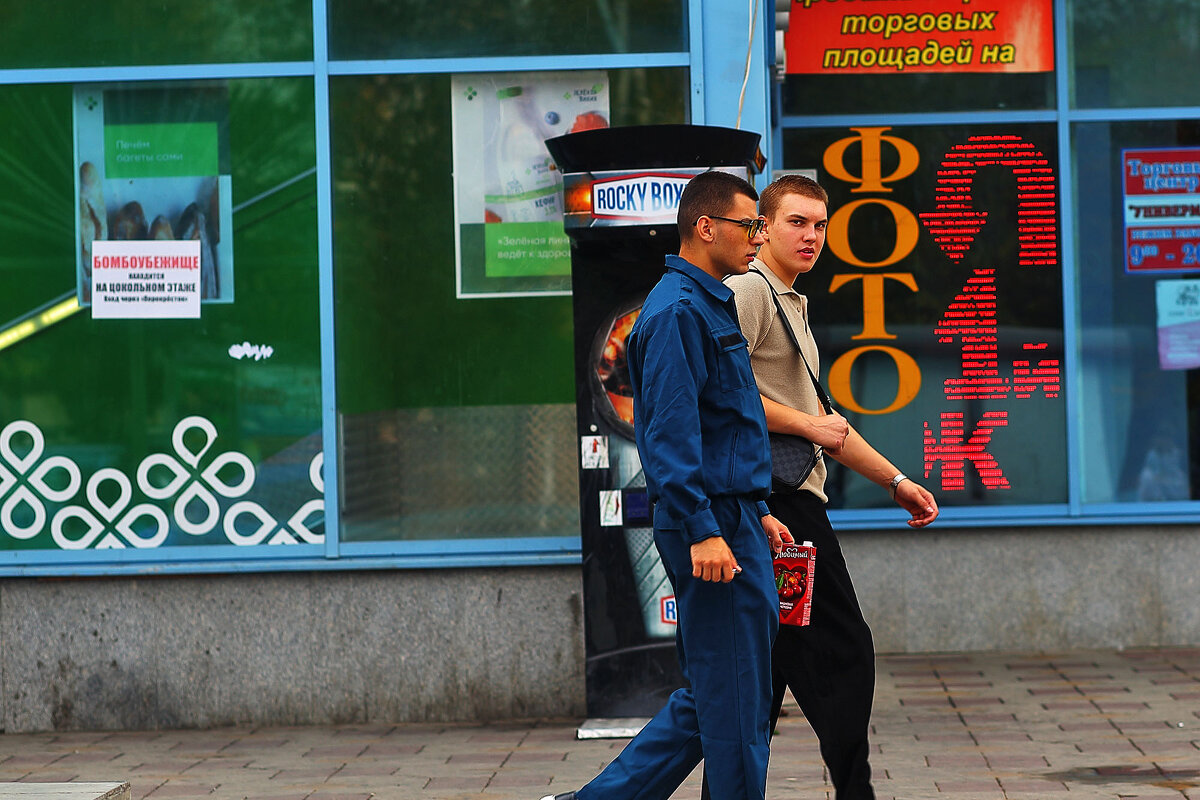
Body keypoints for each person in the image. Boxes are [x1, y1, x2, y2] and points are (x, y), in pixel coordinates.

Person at [540, 170, 792, 800]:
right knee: (735, 703)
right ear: (706, 228)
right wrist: (707, 529)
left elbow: (723, 424)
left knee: (719, 698)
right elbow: (671, 439)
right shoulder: (678, 311)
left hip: (731, 517)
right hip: (712, 528)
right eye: (750, 225)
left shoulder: (709, 301)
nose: (759, 239)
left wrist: (754, 508)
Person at [700, 174, 940, 800]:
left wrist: (895, 480)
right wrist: (806, 423)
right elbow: (722, 394)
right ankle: (854, 792)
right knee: (843, 652)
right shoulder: (748, 290)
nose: (811, 236)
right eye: (796, 223)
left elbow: (828, 424)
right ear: (763, 228)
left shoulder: (789, 300)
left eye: (821, 225)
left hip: (782, 503)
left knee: (771, 665)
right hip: (778, 508)